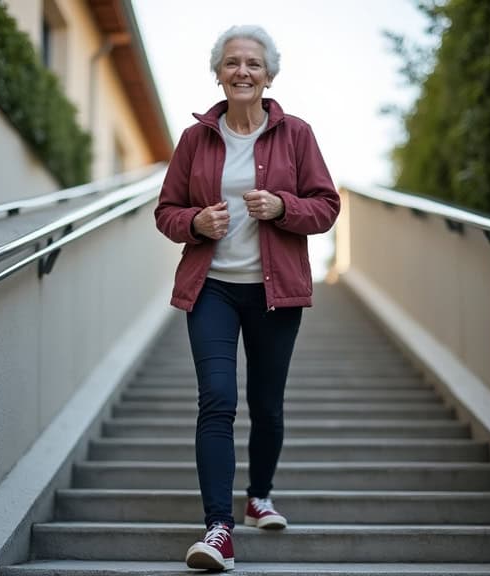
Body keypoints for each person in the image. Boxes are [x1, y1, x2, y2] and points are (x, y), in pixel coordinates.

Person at [154, 24, 340, 571]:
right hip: (211, 289)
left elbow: (326, 207)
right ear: (218, 73)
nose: (242, 71)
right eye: (232, 62)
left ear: (269, 76)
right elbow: (166, 211)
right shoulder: (196, 140)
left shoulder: (297, 134)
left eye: (253, 64)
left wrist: (283, 207)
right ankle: (218, 529)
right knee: (216, 398)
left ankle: (260, 494)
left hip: (274, 293)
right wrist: (196, 221)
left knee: (266, 401)